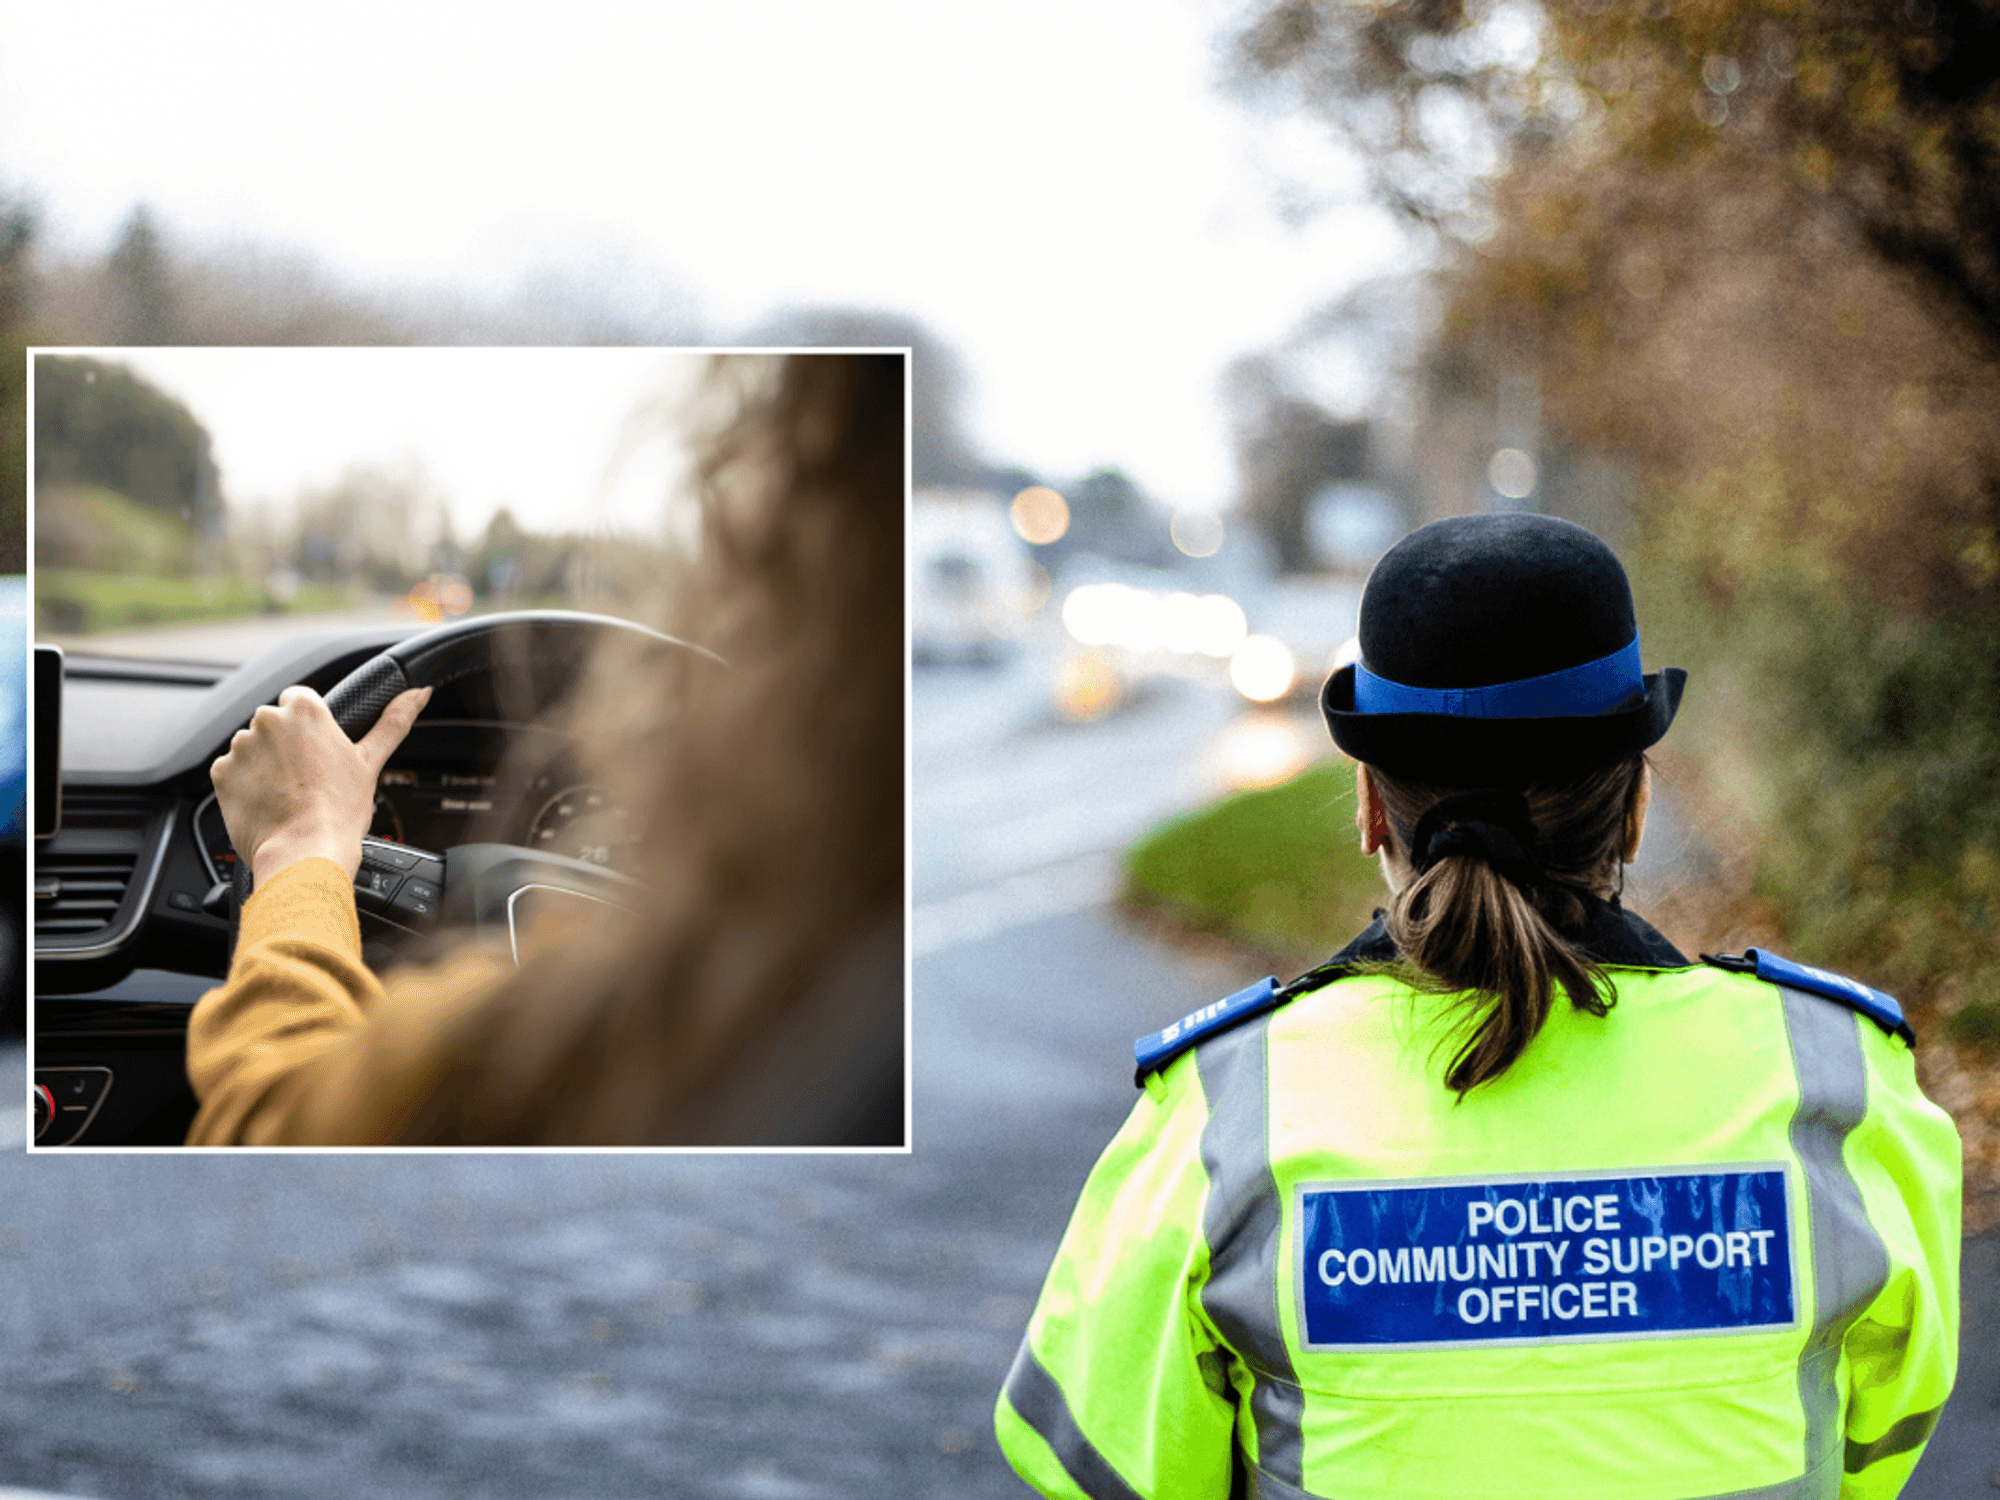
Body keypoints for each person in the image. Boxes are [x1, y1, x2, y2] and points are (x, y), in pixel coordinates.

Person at [995, 514, 1960, 1499]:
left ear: (1370, 806)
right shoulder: (1840, 1081)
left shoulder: (1222, 1111)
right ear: (1632, 807)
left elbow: (1099, 1462)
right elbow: (1876, 1434)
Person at [183, 352, 904, 1146]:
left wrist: (303, 849)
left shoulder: (592, 1023)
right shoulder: (855, 978)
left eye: (734, 572)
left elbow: (268, 1120)